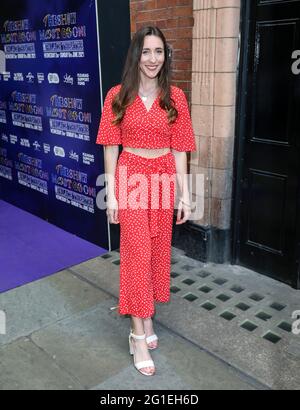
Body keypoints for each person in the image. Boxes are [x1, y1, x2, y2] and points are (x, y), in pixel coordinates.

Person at [96, 26, 196, 376]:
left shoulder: (176, 98)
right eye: (146, 51)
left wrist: (184, 193)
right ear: (135, 55)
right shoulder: (117, 96)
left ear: (165, 56)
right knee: (137, 256)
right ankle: (137, 334)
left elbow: (181, 148)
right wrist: (110, 195)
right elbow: (110, 146)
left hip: (164, 179)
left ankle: (147, 318)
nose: (153, 59)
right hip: (132, 177)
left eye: (159, 52)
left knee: (155, 255)